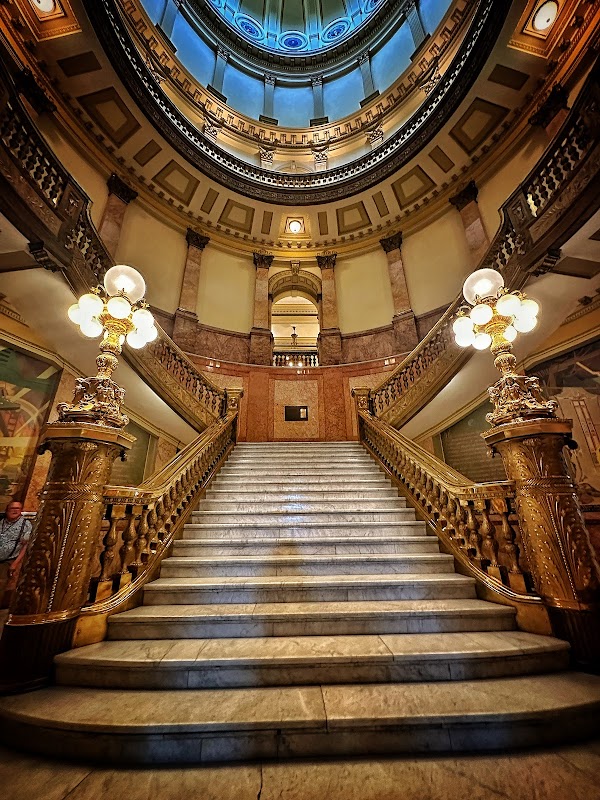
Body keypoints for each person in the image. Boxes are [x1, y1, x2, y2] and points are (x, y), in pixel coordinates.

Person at [0, 500, 33, 608]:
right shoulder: (1, 522)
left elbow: (25, 546)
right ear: (7, 510)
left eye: (17, 508)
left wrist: (15, 563)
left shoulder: (25, 525)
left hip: (8, 561)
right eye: (12, 508)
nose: (15, 511)